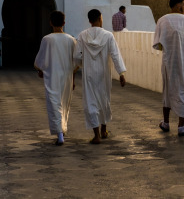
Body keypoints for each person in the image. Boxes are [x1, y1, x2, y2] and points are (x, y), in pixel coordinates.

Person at [74, 9, 126, 144]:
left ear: (90, 21)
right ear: (100, 19)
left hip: (89, 73)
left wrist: (82, 64)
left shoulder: (82, 35)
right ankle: (104, 130)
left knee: (91, 102)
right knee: (104, 99)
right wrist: (121, 73)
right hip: (104, 74)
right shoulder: (108, 36)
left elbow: (77, 56)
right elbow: (115, 55)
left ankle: (96, 135)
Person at [153, 0, 184, 137]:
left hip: (168, 62)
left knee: (167, 91)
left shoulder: (162, 20)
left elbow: (158, 44)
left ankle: (166, 123)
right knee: (182, 91)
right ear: (178, 5)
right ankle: (181, 127)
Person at [34, 11, 78, 146]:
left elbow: (41, 61)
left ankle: (60, 134)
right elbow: (75, 62)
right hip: (66, 77)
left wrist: (41, 70)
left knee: (54, 104)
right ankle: (61, 131)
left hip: (52, 76)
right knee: (64, 104)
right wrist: (73, 79)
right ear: (64, 23)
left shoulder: (47, 39)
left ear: (51, 23)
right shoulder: (71, 40)